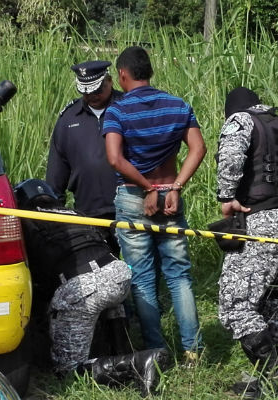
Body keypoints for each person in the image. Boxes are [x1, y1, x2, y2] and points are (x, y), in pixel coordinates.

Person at [14, 179, 170, 398]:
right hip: (118, 272)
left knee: (68, 371)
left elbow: (38, 279)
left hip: (85, 285)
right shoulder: (74, 212)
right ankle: (122, 354)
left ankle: (138, 363)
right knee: (107, 302)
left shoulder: (28, 220)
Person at [102, 46, 206, 362]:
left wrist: (148, 187)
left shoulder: (117, 111)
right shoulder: (178, 105)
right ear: (150, 72)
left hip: (135, 198)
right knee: (179, 276)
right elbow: (198, 149)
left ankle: (155, 352)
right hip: (171, 196)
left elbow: (114, 158)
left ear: (122, 75)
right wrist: (173, 186)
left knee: (142, 278)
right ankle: (193, 351)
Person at [215, 87, 278, 398]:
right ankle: (271, 381)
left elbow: (231, 155)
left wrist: (227, 196)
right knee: (274, 306)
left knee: (235, 308)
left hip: (262, 224)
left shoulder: (240, 120)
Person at [45, 59, 122, 255]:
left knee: (139, 271)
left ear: (110, 82)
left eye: (97, 90)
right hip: (89, 211)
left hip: (128, 209)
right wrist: (54, 208)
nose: (91, 96)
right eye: (85, 91)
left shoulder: (127, 108)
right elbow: (57, 169)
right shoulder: (69, 118)